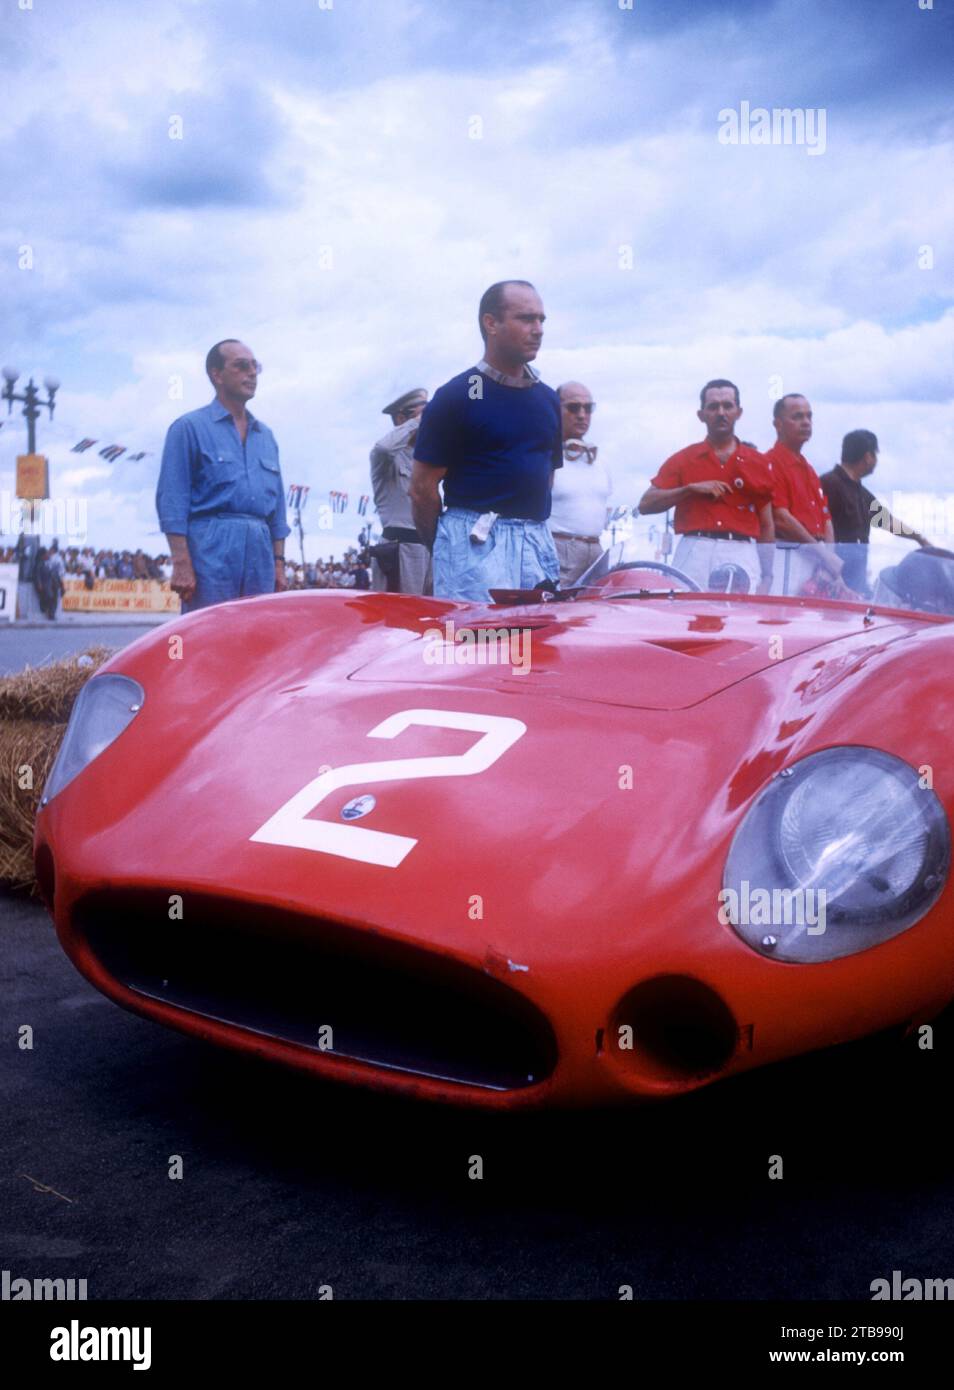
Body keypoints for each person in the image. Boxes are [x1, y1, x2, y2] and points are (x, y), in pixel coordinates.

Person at [410, 279, 562, 602]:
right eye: (526, 318)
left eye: (541, 320)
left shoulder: (547, 400)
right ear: (490, 323)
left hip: (536, 545)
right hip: (473, 545)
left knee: (537, 647)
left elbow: (546, 476)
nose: (538, 329)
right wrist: (447, 544)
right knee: (479, 648)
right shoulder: (462, 394)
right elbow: (422, 488)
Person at [156, 338, 289, 611]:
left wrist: (279, 564)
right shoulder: (188, 428)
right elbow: (172, 499)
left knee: (256, 634)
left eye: (255, 366)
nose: (251, 373)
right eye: (241, 366)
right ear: (216, 374)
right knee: (208, 637)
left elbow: (278, 510)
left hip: (260, 552)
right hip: (210, 549)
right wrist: (181, 563)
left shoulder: (267, 436)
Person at [637, 379, 775, 593]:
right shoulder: (684, 459)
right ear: (701, 415)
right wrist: (689, 489)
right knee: (687, 619)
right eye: (713, 407)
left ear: (739, 412)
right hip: (695, 548)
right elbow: (645, 504)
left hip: (741, 549)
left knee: (740, 621)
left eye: (728, 406)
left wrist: (767, 576)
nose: (721, 412)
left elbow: (767, 524)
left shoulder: (758, 462)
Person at [820, 429, 929, 595]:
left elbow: (889, 523)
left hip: (855, 585)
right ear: (867, 457)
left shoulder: (861, 494)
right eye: (875, 455)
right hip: (833, 584)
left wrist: (918, 538)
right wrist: (834, 574)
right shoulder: (829, 484)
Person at [765, 394, 842, 595]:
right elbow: (781, 518)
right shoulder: (769, 463)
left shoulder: (809, 470)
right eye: (797, 417)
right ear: (778, 424)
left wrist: (828, 565)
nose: (806, 422)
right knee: (783, 620)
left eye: (809, 416)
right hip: (788, 556)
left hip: (816, 561)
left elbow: (826, 520)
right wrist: (824, 556)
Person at [549, 382, 613, 586]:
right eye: (573, 407)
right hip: (559, 548)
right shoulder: (543, 455)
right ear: (555, 409)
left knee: (593, 615)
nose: (582, 414)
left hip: (596, 550)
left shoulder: (601, 459)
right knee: (555, 613)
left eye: (588, 408)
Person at [369, 387, 432, 594]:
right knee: (399, 618)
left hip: (427, 548)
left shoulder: (424, 457)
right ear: (400, 418)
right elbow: (383, 448)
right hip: (400, 548)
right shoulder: (387, 457)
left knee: (428, 617)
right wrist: (416, 421)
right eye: (423, 413)